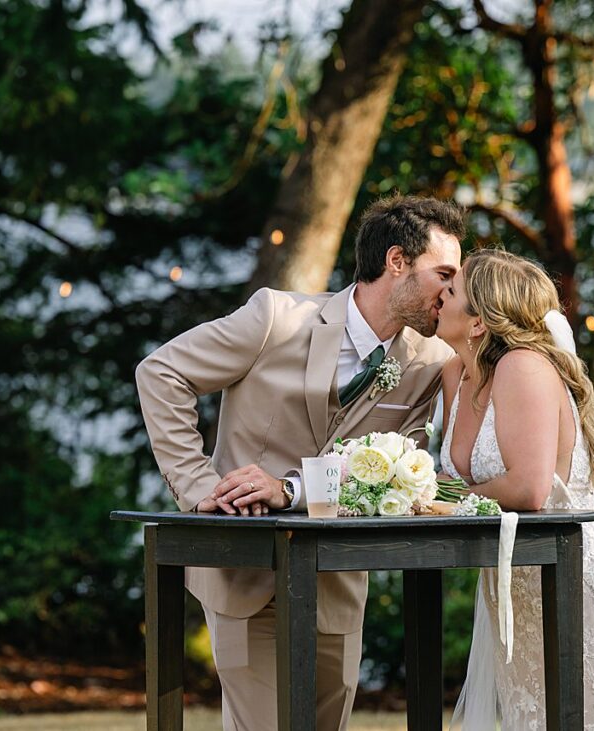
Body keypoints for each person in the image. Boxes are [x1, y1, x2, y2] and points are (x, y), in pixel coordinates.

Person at [135, 195, 464, 731]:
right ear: (397, 261)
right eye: (443, 273)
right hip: (244, 569)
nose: (450, 292)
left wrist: (292, 489)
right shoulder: (276, 319)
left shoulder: (429, 363)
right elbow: (161, 374)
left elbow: (399, 479)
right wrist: (198, 487)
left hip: (337, 584)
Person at [435, 248, 594, 730]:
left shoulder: (523, 366)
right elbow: (456, 482)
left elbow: (530, 488)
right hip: (517, 591)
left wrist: (439, 502)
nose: (439, 294)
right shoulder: (455, 374)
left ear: (478, 323)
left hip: (576, 584)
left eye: (450, 291)